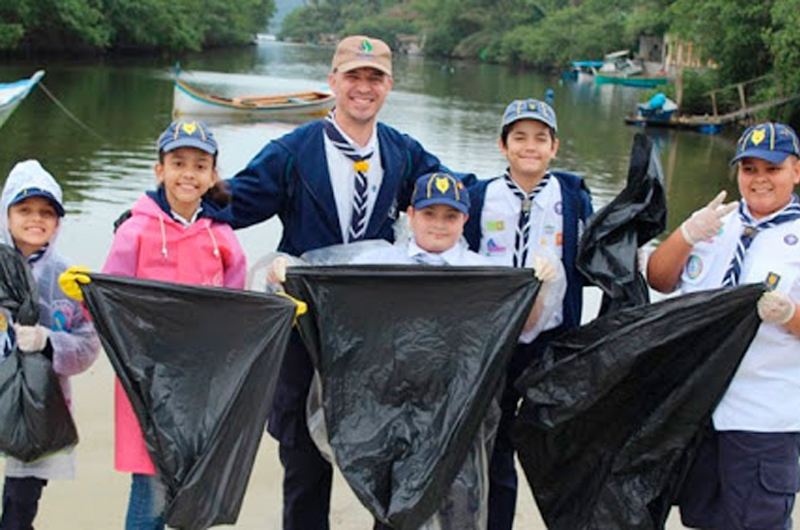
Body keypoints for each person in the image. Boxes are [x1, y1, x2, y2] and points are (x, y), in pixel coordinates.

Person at [224, 35, 468, 530]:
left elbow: (461, 203)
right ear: (332, 81)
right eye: (352, 76)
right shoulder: (292, 153)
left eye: (374, 77)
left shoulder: (403, 154)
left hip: (377, 345)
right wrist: (160, 207)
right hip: (304, 338)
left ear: (389, 85)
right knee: (305, 473)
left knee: (390, 470)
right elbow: (231, 203)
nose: (363, 87)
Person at [270, 171, 560, 529]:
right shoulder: (376, 263)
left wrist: (540, 288)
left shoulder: (487, 273)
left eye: (450, 216)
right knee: (392, 506)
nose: (439, 225)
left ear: (465, 220)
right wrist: (288, 274)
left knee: (457, 504)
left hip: (456, 412)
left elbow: (525, 329)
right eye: (429, 214)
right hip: (389, 409)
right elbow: (326, 302)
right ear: (411, 215)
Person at [647, 122, 800, 530]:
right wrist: (687, 233)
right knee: (701, 518)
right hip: (702, 410)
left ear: (796, 171)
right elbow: (659, 278)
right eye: (749, 169)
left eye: (773, 169)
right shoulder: (718, 224)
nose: (760, 179)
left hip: (763, 419)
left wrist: (790, 315)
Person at [101, 120, 247, 529]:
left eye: (200, 165)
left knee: (191, 483)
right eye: (178, 162)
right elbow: (110, 302)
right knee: (150, 487)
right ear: (159, 169)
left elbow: (234, 310)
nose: (188, 173)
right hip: (146, 381)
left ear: (212, 175)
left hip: (199, 384)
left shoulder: (223, 237)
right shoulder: (135, 230)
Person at [462, 98, 593, 530]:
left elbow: (596, 262)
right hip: (494, 343)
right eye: (519, 137)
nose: (530, 147)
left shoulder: (572, 199)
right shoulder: (480, 197)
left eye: (540, 138)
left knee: (551, 444)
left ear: (555, 147)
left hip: (550, 343)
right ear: (503, 145)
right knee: (493, 443)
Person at [0, 160, 101, 529]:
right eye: (24, 209)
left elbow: (89, 344)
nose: (35, 219)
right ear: (6, 213)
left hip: (39, 408)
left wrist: (48, 342)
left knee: (19, 507)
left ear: (58, 221)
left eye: (46, 212)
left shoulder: (68, 278)